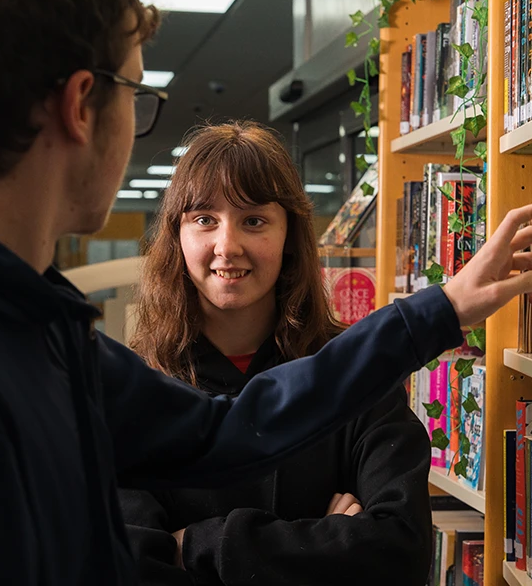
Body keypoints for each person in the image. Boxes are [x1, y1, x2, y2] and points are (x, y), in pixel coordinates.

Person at [0, 0, 532, 584]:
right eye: (138, 94)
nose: (227, 245)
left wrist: (436, 310)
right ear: (82, 105)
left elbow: (228, 430)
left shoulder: (25, 328)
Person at [120, 121, 433, 585]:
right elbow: (130, 565)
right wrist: (326, 542)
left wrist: (195, 547)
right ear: (177, 234)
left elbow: (402, 552)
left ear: (289, 236)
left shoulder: (357, 371)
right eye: (204, 219)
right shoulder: (133, 385)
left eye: (254, 220)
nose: (227, 246)